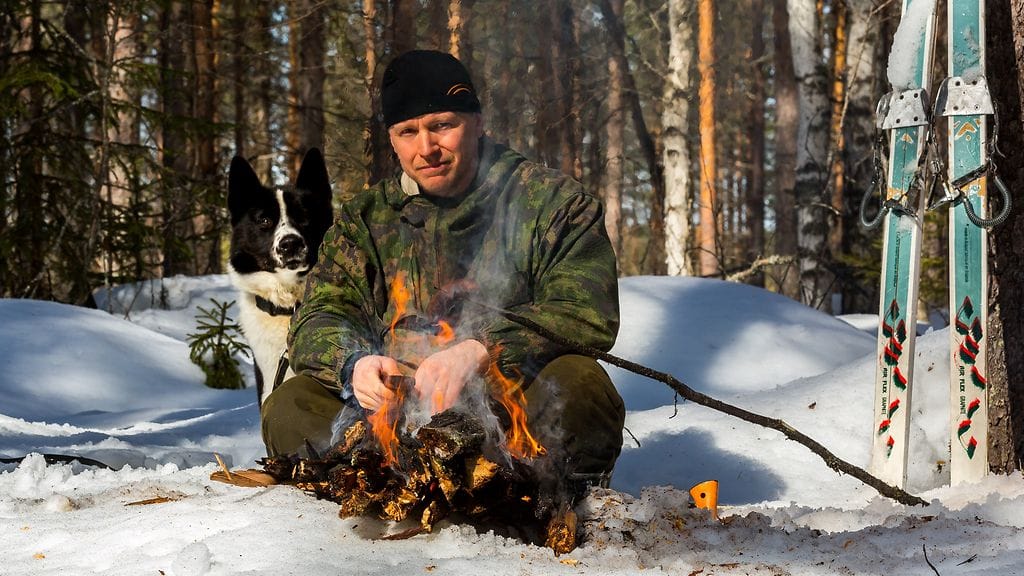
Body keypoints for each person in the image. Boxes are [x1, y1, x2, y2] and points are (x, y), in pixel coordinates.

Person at [261, 49, 625, 490]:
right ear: (391, 139)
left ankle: (531, 493)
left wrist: (481, 350)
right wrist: (353, 364)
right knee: (289, 405)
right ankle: (382, 482)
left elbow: (585, 311)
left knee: (581, 385)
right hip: (392, 418)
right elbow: (320, 315)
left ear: (477, 122)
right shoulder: (365, 220)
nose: (426, 149)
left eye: (442, 126)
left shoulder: (552, 204)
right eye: (408, 132)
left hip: (508, 410)